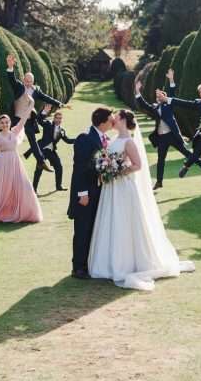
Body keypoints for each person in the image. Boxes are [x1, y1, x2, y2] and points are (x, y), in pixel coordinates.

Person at [88, 110, 195, 291]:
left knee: (125, 222)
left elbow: (138, 165)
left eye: (116, 117)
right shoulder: (113, 140)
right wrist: (107, 168)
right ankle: (108, 262)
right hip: (111, 188)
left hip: (123, 187)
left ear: (123, 120)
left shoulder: (129, 142)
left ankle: (128, 263)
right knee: (112, 220)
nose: (113, 120)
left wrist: (117, 171)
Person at [135, 69, 201, 190]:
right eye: (157, 96)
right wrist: (138, 91)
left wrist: (171, 79)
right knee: (161, 160)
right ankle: (159, 182)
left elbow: (172, 93)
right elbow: (143, 104)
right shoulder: (154, 107)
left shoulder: (168, 105)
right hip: (162, 138)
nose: (159, 97)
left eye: (161, 95)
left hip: (172, 135)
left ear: (165, 97)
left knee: (187, 153)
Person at [68, 107, 114, 280]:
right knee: (83, 229)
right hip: (86, 193)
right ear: (102, 122)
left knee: (93, 228)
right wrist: (82, 193)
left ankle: (89, 263)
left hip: (98, 190)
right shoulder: (85, 138)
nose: (113, 122)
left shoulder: (104, 139)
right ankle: (78, 267)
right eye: (110, 120)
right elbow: (80, 168)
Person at [6, 54, 68, 173]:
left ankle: (41, 162)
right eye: (26, 81)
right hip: (17, 119)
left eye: (30, 81)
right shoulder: (19, 86)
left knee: (33, 141)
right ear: (23, 80)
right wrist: (10, 67)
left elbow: (47, 98)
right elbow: (11, 79)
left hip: (29, 120)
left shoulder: (37, 91)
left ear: (33, 81)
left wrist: (60, 104)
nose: (28, 83)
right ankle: (6, 160)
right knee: (10, 139)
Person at [25, 104, 74, 193]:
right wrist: (44, 111)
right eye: (57, 118)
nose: (58, 120)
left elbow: (68, 140)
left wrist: (79, 139)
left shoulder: (62, 131)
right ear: (54, 118)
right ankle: (34, 189)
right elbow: (39, 120)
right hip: (42, 151)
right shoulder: (48, 124)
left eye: (60, 118)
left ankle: (59, 186)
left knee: (59, 167)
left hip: (51, 151)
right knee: (39, 169)